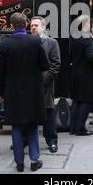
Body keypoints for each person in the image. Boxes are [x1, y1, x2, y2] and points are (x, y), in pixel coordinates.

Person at [0, 12, 50, 172]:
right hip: (33, 90)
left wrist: (0, 92)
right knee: (32, 125)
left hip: (12, 91)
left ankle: (19, 163)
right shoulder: (35, 41)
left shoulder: (5, 43)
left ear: (11, 26)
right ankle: (35, 161)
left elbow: (1, 72)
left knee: (17, 126)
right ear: (25, 25)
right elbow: (46, 65)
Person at [30, 16, 61, 153]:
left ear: (43, 27)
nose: (33, 28)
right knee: (29, 115)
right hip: (29, 85)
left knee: (49, 114)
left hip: (46, 85)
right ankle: (26, 140)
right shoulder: (27, 42)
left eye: (36, 25)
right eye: (31, 25)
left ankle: (52, 141)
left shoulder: (51, 42)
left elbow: (56, 64)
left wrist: (43, 80)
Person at [70, 15, 93, 136]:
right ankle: (80, 129)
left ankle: (73, 128)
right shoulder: (87, 38)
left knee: (77, 101)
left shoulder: (75, 36)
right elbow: (91, 58)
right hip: (87, 74)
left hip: (76, 72)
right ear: (86, 24)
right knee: (86, 101)